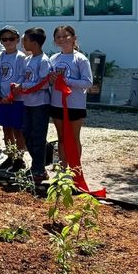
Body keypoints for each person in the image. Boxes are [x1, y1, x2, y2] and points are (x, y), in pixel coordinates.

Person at [50, 25, 93, 169]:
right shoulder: (54, 58)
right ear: (55, 41)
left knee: (74, 138)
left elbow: (88, 82)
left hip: (75, 104)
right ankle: (63, 168)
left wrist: (66, 81)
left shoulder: (81, 59)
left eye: (65, 36)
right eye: (58, 37)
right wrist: (51, 79)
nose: (62, 39)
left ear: (74, 38)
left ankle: (75, 169)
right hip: (57, 103)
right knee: (61, 138)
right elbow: (49, 81)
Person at [14, 27, 52, 184]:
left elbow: (44, 83)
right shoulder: (27, 60)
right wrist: (19, 85)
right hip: (27, 102)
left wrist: (23, 87)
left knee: (38, 135)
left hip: (40, 103)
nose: (23, 43)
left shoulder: (43, 60)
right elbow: (25, 78)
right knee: (26, 133)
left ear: (35, 43)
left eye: (26, 40)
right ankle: (38, 165)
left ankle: (38, 169)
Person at [0, 26, 28, 172]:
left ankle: (19, 159)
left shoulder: (21, 57)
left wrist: (11, 95)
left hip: (16, 99)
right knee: (6, 129)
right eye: (4, 39)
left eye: (11, 39)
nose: (8, 42)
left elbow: (21, 77)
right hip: (2, 99)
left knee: (18, 130)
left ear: (18, 40)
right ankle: (10, 156)